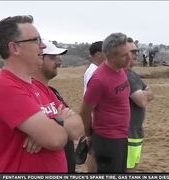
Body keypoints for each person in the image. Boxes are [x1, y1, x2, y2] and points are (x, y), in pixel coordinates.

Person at [0, 15, 83, 172]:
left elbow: (78, 127)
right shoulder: (3, 87)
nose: (42, 46)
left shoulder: (40, 87)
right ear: (14, 48)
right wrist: (58, 126)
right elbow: (55, 139)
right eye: (36, 40)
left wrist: (53, 125)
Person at [80, 32, 131, 172]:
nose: (129, 57)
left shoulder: (121, 69)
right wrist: (89, 134)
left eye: (129, 53)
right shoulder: (98, 80)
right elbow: (84, 112)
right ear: (110, 57)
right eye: (124, 55)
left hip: (122, 135)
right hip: (107, 140)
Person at [32, 40, 83, 173]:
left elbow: (77, 128)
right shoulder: (27, 92)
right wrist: (62, 121)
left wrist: (53, 125)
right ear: (38, 59)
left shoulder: (52, 92)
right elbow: (52, 138)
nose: (59, 62)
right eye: (52, 57)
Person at [126, 38, 154, 169]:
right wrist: (145, 93)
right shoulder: (126, 74)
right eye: (132, 51)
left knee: (133, 167)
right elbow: (142, 101)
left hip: (135, 131)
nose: (136, 54)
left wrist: (145, 93)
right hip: (128, 133)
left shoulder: (133, 74)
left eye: (137, 51)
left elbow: (151, 93)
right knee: (128, 169)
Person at [82, 41, 105, 172]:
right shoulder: (93, 72)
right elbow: (89, 100)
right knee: (94, 152)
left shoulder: (95, 70)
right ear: (98, 54)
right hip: (95, 118)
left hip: (96, 117)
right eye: (105, 52)